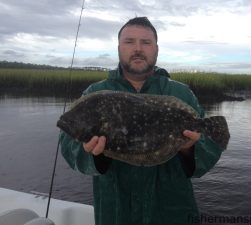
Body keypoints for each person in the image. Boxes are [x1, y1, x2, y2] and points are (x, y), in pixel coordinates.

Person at [60, 17, 224, 225]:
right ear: (119, 48)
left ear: (156, 49)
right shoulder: (94, 93)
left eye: (146, 42)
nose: (138, 48)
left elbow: (209, 147)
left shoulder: (181, 93)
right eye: (129, 42)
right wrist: (94, 155)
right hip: (116, 213)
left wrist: (188, 149)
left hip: (172, 214)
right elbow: (68, 145)